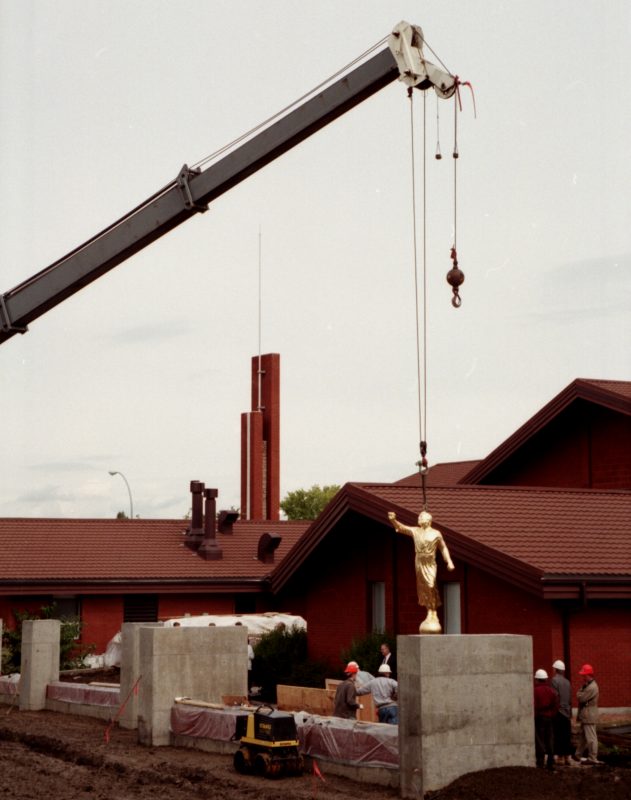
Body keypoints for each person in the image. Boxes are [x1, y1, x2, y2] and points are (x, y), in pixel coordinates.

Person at [387, 510, 455, 633]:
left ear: (428, 520)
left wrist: (449, 561)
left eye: (421, 517)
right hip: (419, 562)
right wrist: (393, 520)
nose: (419, 519)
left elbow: (443, 547)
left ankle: (433, 611)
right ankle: (430, 612)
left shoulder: (436, 533)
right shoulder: (416, 531)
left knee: (431, 585)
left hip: (430, 562)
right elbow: (401, 528)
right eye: (419, 517)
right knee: (423, 587)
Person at [573, 663, 600, 765]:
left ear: (588, 675)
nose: (582, 677)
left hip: (589, 714)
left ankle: (593, 757)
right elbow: (580, 695)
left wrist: (580, 692)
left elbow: (581, 697)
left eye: (584, 675)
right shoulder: (588, 685)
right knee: (583, 736)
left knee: (591, 737)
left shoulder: (592, 687)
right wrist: (581, 691)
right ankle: (578, 755)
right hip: (586, 714)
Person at [533, 668, 558, 770]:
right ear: (546, 679)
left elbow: (534, 705)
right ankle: (550, 762)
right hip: (549, 718)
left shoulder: (535, 691)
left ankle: (540, 762)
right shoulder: (551, 691)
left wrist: (535, 716)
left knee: (540, 740)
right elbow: (556, 704)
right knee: (550, 739)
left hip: (540, 717)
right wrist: (551, 714)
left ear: (537, 679)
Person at [550, 659, 572, 765]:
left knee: (558, 735)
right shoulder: (567, 682)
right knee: (566, 735)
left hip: (558, 712)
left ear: (555, 669)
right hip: (567, 712)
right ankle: (567, 757)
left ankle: (560, 757)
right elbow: (569, 698)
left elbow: (555, 696)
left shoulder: (554, 681)